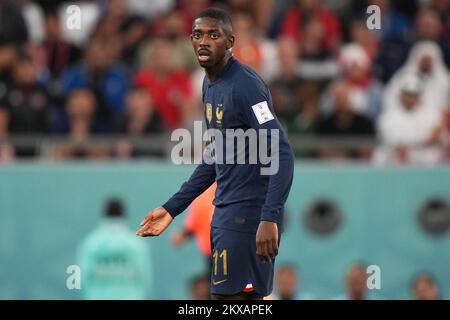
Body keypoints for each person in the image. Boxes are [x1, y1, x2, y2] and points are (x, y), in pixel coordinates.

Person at [137, 8, 294, 300]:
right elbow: (216, 157)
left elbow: (281, 151)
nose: (204, 41)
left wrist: (269, 217)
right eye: (198, 35)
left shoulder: (246, 85)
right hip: (226, 213)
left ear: (230, 40)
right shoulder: (209, 84)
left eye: (213, 34)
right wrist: (173, 208)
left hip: (247, 218)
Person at [78, 198, 152, 300]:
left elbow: (84, 277)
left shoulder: (91, 243)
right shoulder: (136, 243)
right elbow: (145, 278)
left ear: (104, 215)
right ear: (124, 215)